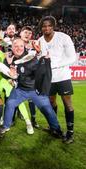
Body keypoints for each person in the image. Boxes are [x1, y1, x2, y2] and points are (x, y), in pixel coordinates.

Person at [0, 38, 63, 138]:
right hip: (20, 90)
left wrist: (40, 56)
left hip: (35, 90)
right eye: (16, 46)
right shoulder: (8, 59)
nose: (18, 48)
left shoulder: (30, 57)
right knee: (10, 103)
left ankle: (56, 129)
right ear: (12, 47)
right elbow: (4, 74)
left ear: (24, 46)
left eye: (21, 46)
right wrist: (10, 76)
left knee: (47, 110)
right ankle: (6, 126)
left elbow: (40, 71)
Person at [38, 16, 77, 144]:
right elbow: (41, 58)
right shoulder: (40, 40)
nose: (47, 28)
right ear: (41, 27)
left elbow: (72, 58)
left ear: (53, 26)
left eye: (49, 25)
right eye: (44, 26)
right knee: (51, 102)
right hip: (49, 79)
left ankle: (70, 132)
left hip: (63, 77)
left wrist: (53, 64)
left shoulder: (64, 37)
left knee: (67, 103)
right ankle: (53, 127)